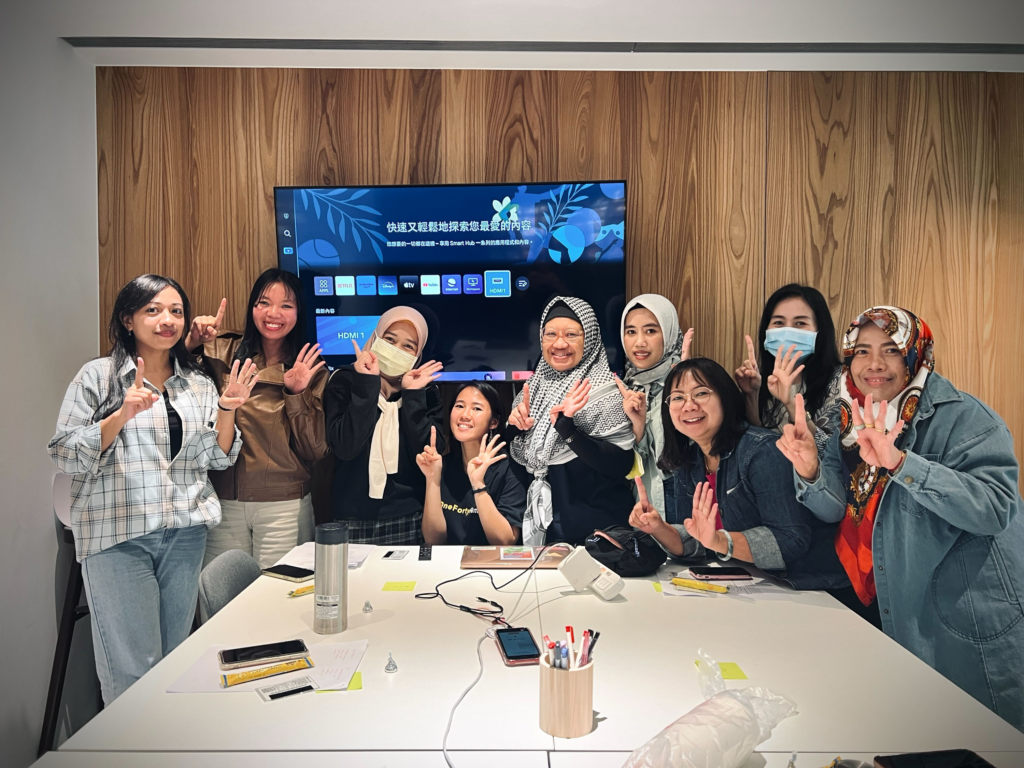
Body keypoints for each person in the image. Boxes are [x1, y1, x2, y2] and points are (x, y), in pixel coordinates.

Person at [777, 306, 1024, 731]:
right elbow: (836, 508)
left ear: (916, 353)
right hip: (890, 607)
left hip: (966, 617)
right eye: (863, 351)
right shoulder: (850, 420)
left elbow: (995, 508)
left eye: (891, 350)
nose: (875, 365)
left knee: (984, 743)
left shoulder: (963, 417)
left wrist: (902, 463)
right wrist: (810, 469)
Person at [48, 275, 253, 704]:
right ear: (127, 319)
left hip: (184, 534)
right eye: (153, 310)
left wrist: (227, 410)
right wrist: (119, 416)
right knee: (132, 676)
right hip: (119, 538)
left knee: (174, 664)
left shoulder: (197, 382)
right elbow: (64, 454)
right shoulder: (99, 376)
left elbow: (216, 459)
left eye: (176, 311)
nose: (168, 320)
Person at [629, 358, 846, 590]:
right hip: (746, 585)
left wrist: (721, 541)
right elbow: (699, 539)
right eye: (678, 397)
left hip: (804, 584)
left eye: (701, 393)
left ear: (725, 397)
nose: (689, 405)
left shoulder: (762, 451)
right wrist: (658, 528)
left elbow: (792, 540)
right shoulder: (689, 460)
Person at [187, 269, 329, 568]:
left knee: (280, 602)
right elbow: (165, 375)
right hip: (223, 500)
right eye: (263, 303)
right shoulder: (218, 351)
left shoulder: (309, 368)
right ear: (252, 306)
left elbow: (314, 449)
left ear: (299, 312)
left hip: (284, 504)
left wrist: (296, 393)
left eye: (286, 305)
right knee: (222, 601)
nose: (273, 313)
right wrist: (190, 340)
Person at [507, 296, 636, 545]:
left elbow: (621, 464)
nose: (559, 343)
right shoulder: (533, 389)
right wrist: (514, 428)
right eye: (551, 334)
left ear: (589, 339)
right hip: (546, 533)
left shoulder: (604, 391)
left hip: (598, 535)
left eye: (571, 335)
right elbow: (514, 453)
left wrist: (568, 428)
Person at [323, 307, 444, 545]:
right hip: (351, 516)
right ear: (376, 338)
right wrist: (367, 384)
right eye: (389, 340)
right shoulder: (345, 380)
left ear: (417, 355)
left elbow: (430, 451)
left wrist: (412, 396)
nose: (397, 350)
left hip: (409, 515)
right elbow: (345, 446)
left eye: (408, 346)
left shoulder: (426, 390)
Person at [734, 284, 843, 454]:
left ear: (820, 331)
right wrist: (751, 395)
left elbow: (831, 454)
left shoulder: (841, 381)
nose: (787, 331)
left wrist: (790, 403)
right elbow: (755, 448)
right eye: (778, 322)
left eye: (800, 323)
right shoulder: (761, 380)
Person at [415, 382, 526, 545]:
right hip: (451, 565)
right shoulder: (442, 465)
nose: (465, 415)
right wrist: (432, 479)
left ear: (493, 422)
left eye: (477, 408)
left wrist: (478, 485)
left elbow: (505, 542)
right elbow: (434, 540)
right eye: (459, 406)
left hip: (492, 567)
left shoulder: (510, 468)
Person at [616, 294, 693, 520]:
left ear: (668, 334)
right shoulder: (626, 387)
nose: (639, 342)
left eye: (651, 331)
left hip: (685, 496)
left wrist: (681, 391)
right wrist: (637, 429)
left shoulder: (695, 382)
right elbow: (628, 469)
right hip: (642, 499)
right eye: (631, 331)